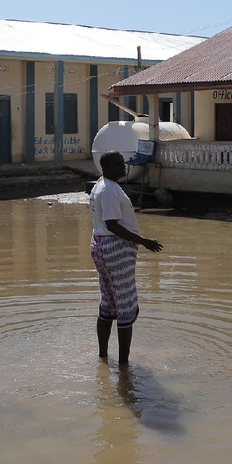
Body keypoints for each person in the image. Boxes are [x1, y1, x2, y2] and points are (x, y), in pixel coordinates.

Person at [89, 150, 162, 366]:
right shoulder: (110, 190)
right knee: (125, 307)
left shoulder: (99, 185)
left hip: (100, 245)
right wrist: (143, 241)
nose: (124, 168)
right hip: (115, 249)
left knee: (108, 303)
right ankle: (123, 366)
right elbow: (112, 224)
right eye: (119, 165)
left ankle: (103, 357)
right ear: (108, 167)